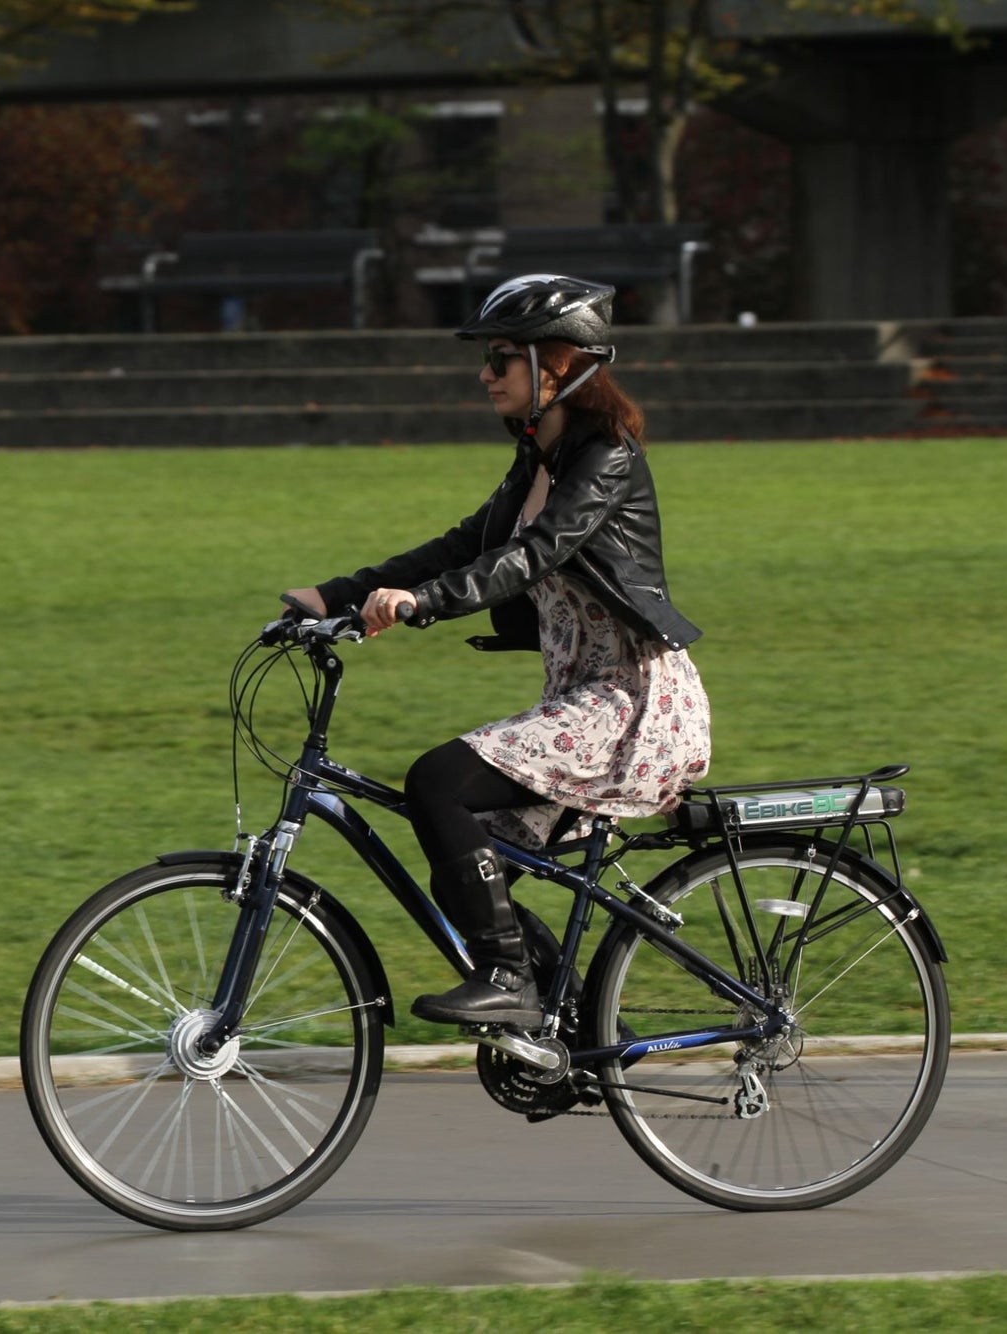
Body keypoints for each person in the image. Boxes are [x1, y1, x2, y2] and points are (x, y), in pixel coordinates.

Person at [283, 274, 712, 1030]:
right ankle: (573, 1025)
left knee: (437, 782)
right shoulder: (537, 460)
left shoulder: (605, 458)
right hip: (580, 701)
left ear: (562, 364)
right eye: (488, 358)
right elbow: (461, 544)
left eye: (503, 358)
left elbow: (532, 557)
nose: (486, 374)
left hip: (633, 702)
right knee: (460, 866)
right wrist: (335, 596)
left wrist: (425, 605)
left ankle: (510, 978)